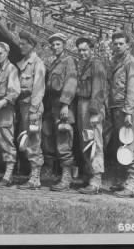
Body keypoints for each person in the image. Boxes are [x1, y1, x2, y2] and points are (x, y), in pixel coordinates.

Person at [106, 30, 134, 198]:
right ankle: (123, 180)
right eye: (116, 43)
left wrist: (128, 111)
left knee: (132, 142)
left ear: (128, 45)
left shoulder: (132, 63)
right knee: (121, 145)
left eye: (121, 43)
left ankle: (133, 183)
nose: (118, 46)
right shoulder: (114, 62)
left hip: (127, 109)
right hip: (115, 108)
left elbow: (133, 89)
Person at [45, 33, 78, 192]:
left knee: (64, 143)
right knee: (55, 142)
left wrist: (65, 105)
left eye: (58, 44)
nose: (55, 47)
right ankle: (62, 175)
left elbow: (71, 83)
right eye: (53, 45)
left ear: (64, 45)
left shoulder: (68, 61)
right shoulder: (53, 63)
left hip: (64, 108)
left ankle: (66, 178)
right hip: (54, 107)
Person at [75, 37, 107, 195]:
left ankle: (96, 181)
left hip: (91, 106)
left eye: (85, 50)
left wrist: (95, 112)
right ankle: (89, 176)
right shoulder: (83, 65)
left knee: (94, 142)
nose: (82, 53)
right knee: (85, 142)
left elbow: (99, 90)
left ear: (91, 50)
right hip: (82, 105)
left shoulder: (96, 65)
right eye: (80, 50)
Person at [16, 31, 46, 190]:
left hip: (32, 107)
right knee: (26, 140)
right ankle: (32, 176)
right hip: (23, 106)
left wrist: (34, 110)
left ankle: (35, 178)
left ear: (32, 45)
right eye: (20, 43)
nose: (21, 46)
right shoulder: (23, 63)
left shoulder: (37, 63)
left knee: (34, 141)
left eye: (24, 44)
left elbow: (39, 88)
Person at [0, 41, 21, 187]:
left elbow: (15, 91)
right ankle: (6, 174)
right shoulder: (0, 70)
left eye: (0, 53)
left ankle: (8, 176)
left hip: (6, 109)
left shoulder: (11, 69)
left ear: (7, 53)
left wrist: (3, 101)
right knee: (1, 140)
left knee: (7, 140)